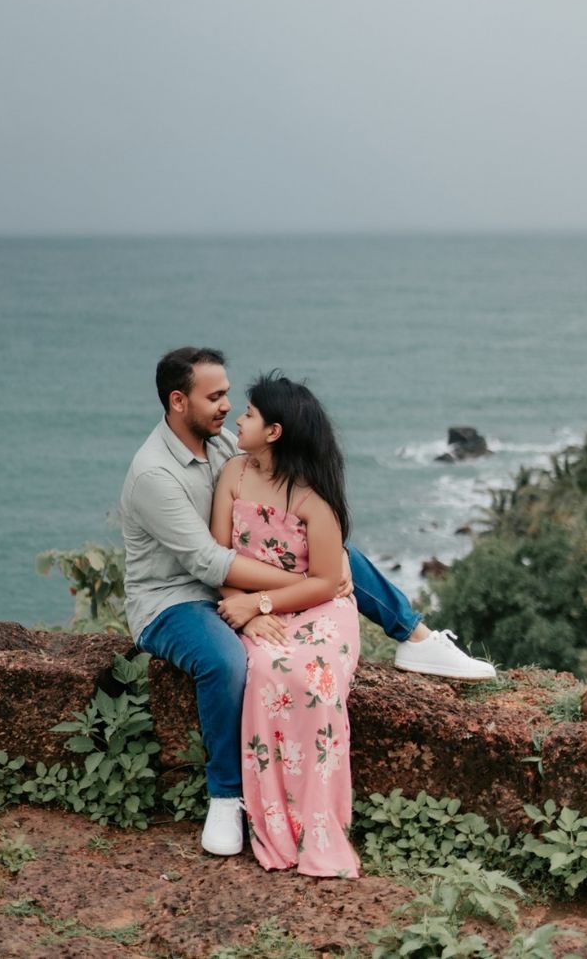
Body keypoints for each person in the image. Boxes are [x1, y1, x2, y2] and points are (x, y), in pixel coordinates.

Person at [119, 346, 494, 860]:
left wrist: (310, 576)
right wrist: (306, 581)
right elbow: (208, 562)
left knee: (340, 555)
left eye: (232, 396)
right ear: (179, 401)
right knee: (226, 661)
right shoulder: (153, 475)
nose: (228, 406)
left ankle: (415, 636)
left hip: (232, 582)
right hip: (173, 599)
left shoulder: (224, 444)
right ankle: (226, 796)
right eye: (217, 397)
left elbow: (263, 522)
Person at [210, 373, 361, 876]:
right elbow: (217, 557)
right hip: (254, 607)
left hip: (314, 609)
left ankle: (317, 821)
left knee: (310, 680)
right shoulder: (233, 474)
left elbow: (323, 582)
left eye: (249, 414)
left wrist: (261, 606)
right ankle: (273, 817)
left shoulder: (312, 498)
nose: (238, 418)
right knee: (268, 673)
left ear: (273, 432)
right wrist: (240, 606)